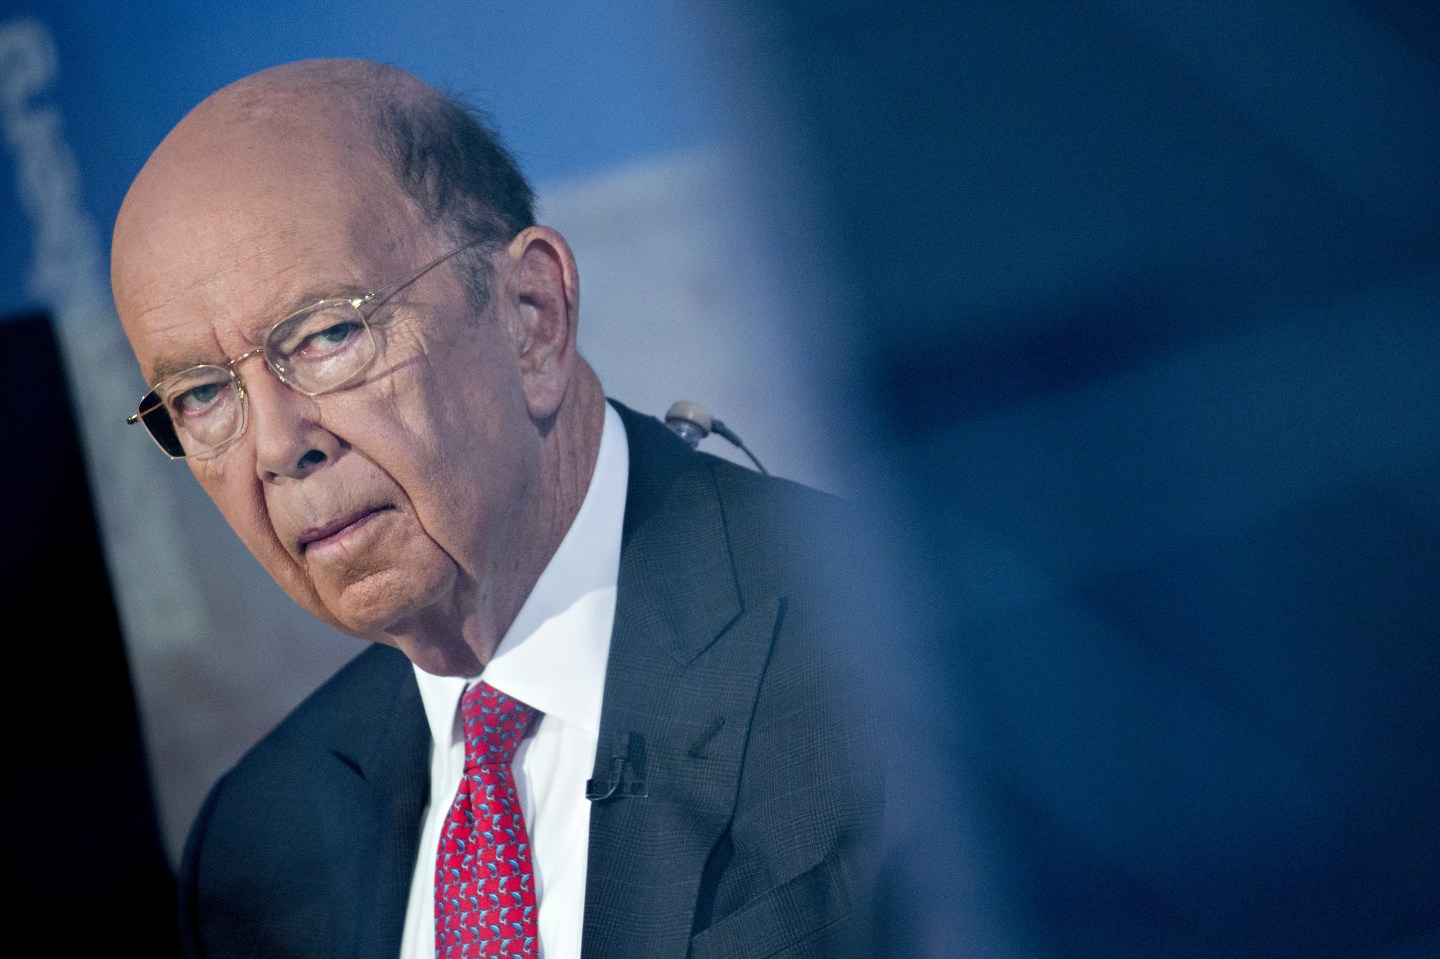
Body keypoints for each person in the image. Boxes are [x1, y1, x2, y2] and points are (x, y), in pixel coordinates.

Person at [110, 58, 886, 959]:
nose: (278, 446)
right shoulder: (257, 849)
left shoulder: (875, 640)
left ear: (532, 316)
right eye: (203, 394)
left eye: (328, 334)